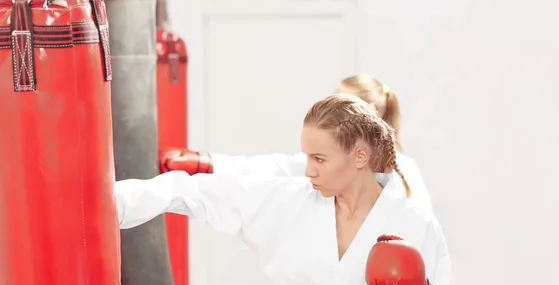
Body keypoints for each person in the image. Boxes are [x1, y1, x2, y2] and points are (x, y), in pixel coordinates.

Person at [115, 94, 453, 285]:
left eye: (319, 158)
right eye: (306, 157)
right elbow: (195, 192)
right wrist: (113, 203)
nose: (308, 170)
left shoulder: (413, 226)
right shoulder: (288, 206)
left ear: (360, 156)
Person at [160, 74, 433, 214]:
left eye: (340, 104)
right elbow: (275, 169)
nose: (330, 110)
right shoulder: (331, 160)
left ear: (368, 111)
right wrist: (207, 162)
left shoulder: (402, 174)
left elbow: (423, 238)